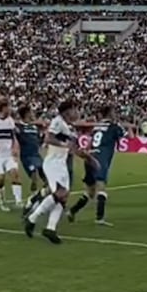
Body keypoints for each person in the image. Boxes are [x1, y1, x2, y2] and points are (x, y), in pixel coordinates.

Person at [24, 100, 98, 244]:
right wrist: (64, 145)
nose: (77, 112)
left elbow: (74, 149)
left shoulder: (69, 128)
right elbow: (49, 138)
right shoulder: (58, 121)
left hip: (61, 164)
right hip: (53, 164)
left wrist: (90, 158)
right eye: (74, 109)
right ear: (67, 111)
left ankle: (51, 228)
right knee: (60, 193)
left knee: (63, 198)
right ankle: (32, 218)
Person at [68, 105, 131, 226]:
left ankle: (72, 211)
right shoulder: (114, 126)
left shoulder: (97, 126)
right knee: (101, 187)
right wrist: (128, 126)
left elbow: (90, 142)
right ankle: (99, 218)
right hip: (101, 159)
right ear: (110, 113)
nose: (115, 114)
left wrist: (86, 152)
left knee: (90, 192)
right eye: (113, 112)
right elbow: (130, 137)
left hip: (90, 157)